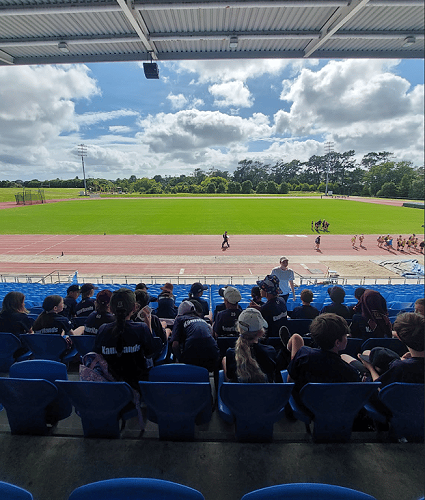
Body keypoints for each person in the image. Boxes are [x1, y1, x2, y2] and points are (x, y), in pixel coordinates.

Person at [286, 313, 361, 406]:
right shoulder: (351, 372)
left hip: (304, 405)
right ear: (337, 342)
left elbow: (290, 381)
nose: (347, 337)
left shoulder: (303, 355)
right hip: (334, 408)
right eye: (345, 335)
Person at [93, 288, 156, 390]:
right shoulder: (141, 328)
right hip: (137, 387)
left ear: (111, 308)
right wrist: (148, 326)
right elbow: (150, 353)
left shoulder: (103, 330)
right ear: (135, 307)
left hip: (109, 389)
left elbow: (97, 356)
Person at [223, 308, 277, 383]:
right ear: (261, 332)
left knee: (224, 360)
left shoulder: (231, 353)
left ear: (239, 329)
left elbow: (230, 375)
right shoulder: (270, 352)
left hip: (239, 391)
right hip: (265, 391)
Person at [170, 300, 220, 373]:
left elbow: (175, 345)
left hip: (192, 354)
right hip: (213, 353)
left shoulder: (179, 319)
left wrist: (180, 360)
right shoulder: (202, 320)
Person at [0, 291, 34, 359]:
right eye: (23, 302)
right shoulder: (21, 317)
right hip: (17, 351)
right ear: (18, 304)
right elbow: (31, 333)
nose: (24, 304)